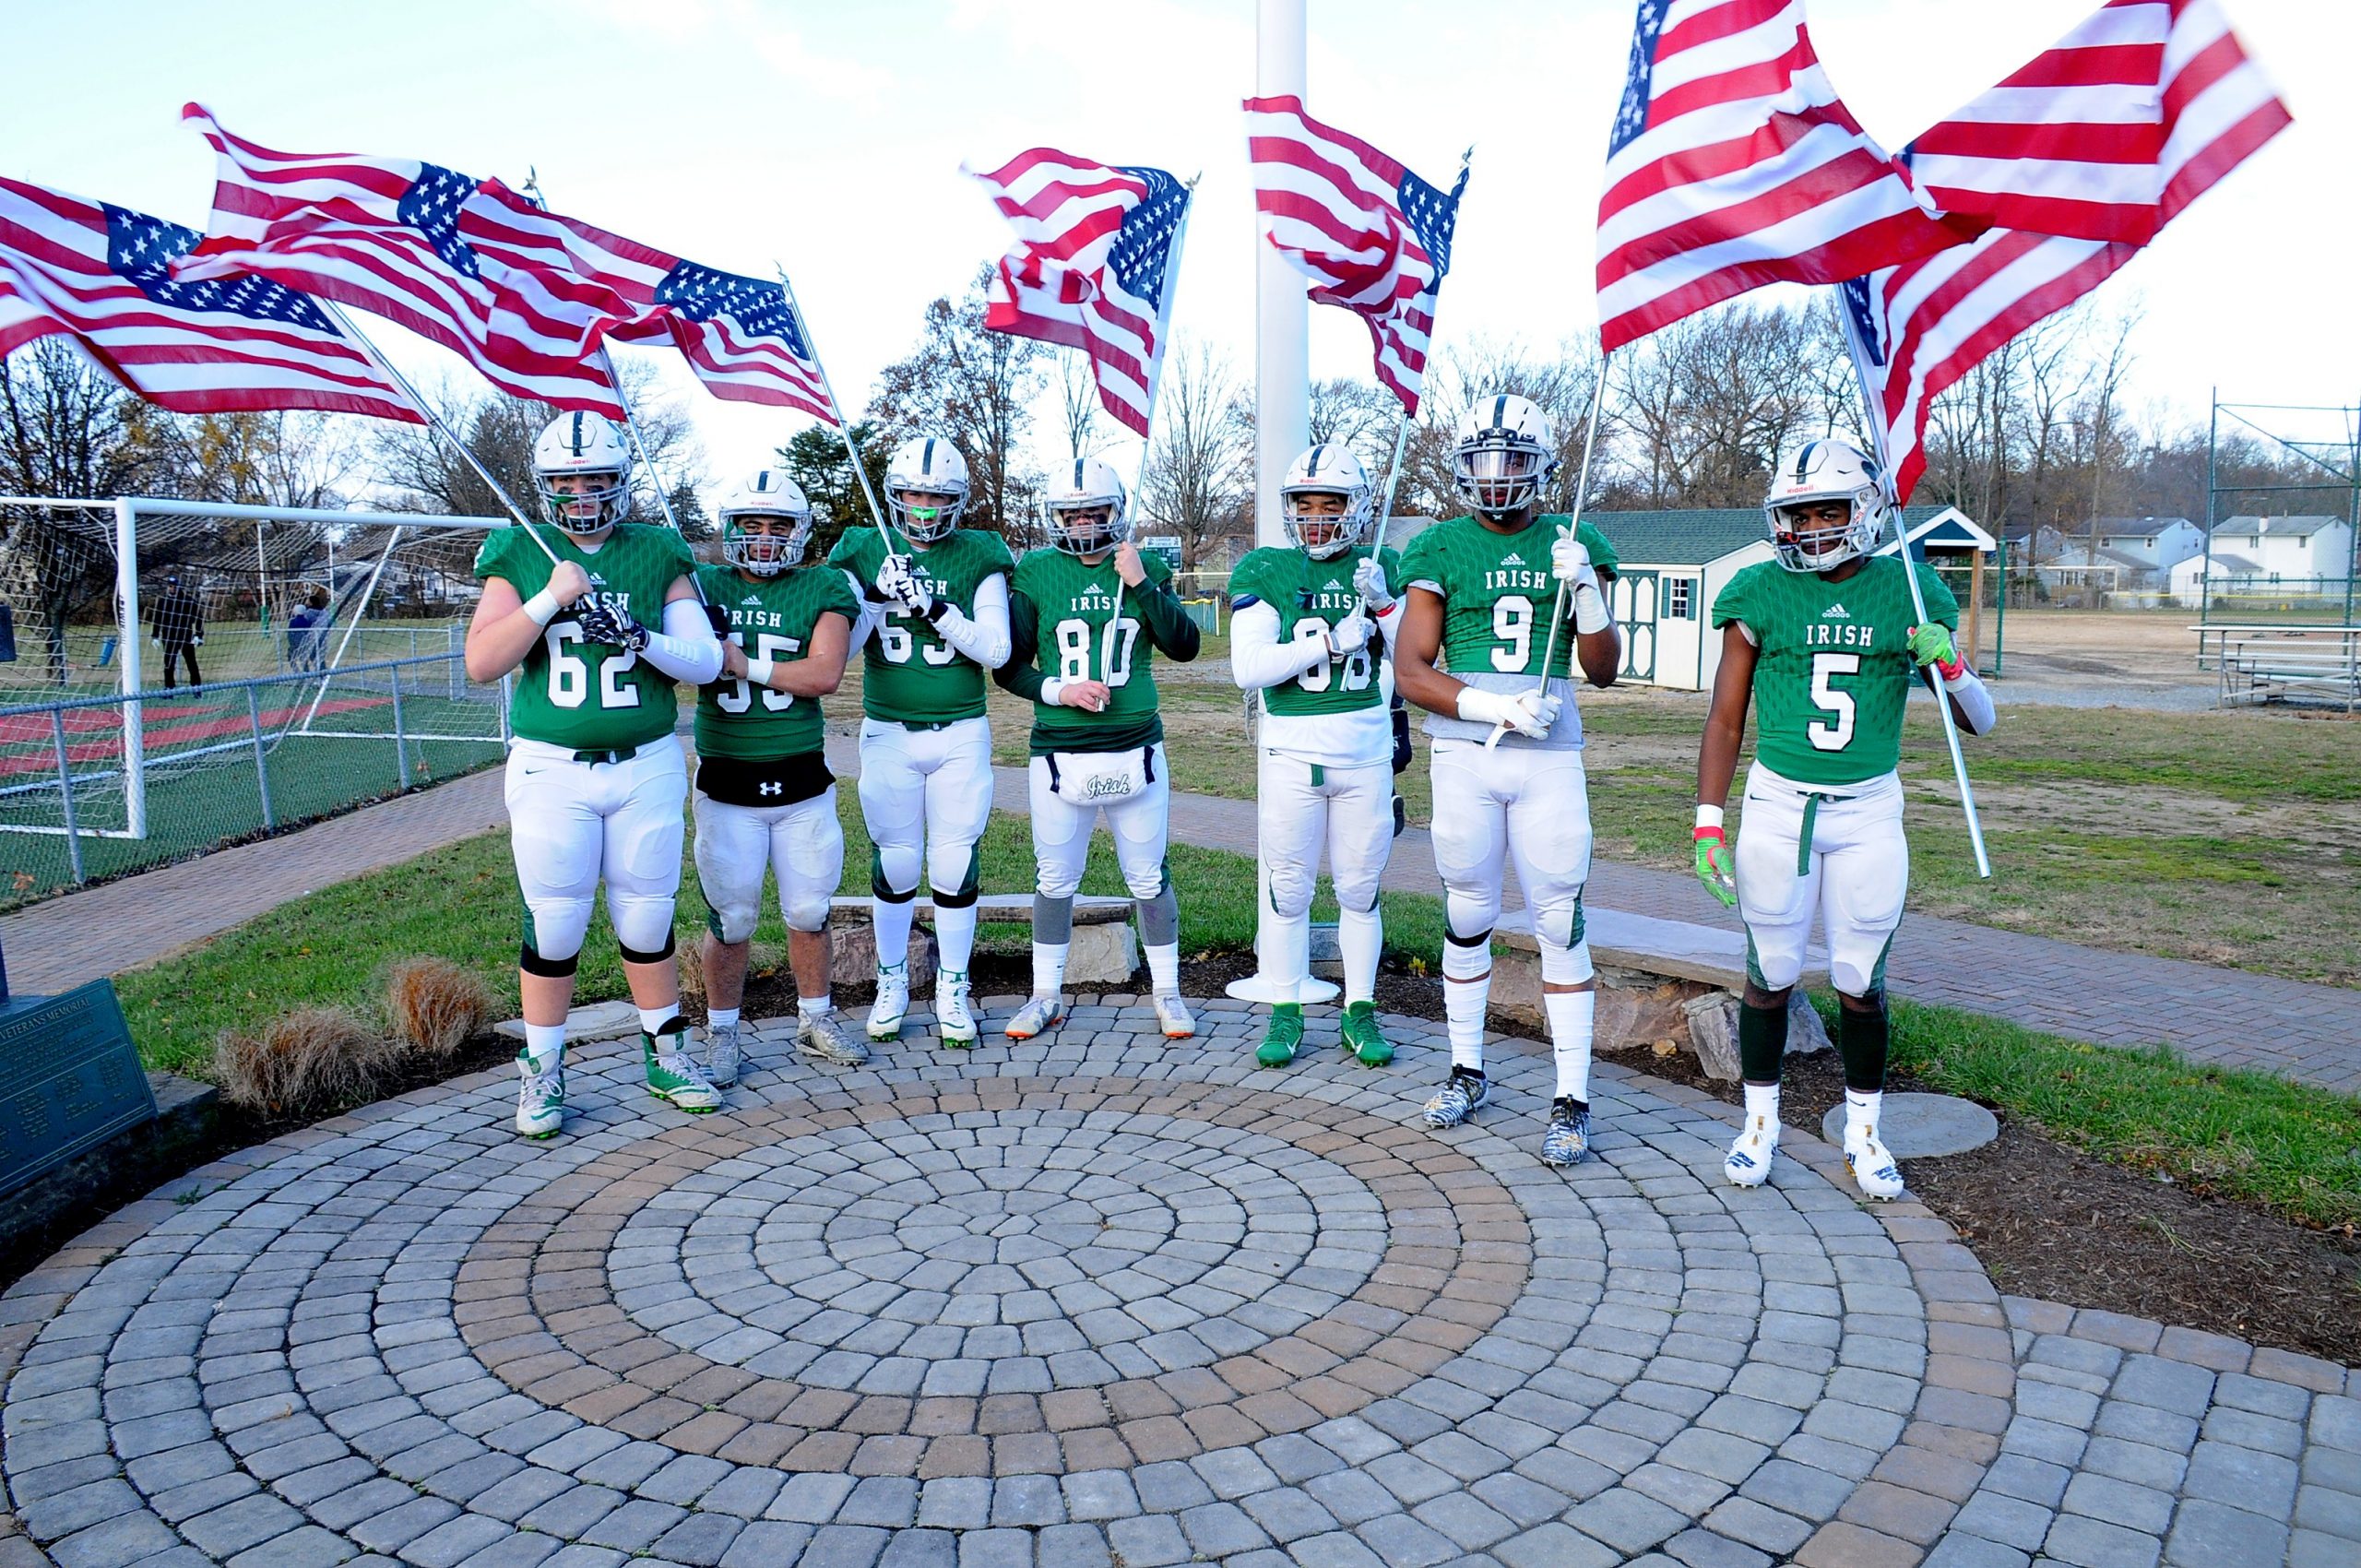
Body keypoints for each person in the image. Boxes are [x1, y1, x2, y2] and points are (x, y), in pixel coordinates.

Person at [1695, 436, 1996, 1199]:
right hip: (1778, 809)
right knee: (1773, 974)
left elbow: (1981, 724)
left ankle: (1864, 1134)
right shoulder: (1761, 587)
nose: (1812, 528)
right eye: (1798, 514)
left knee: (1861, 979)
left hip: (1866, 811)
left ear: (1865, 510)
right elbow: (1726, 719)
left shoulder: (1912, 586)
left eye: (1829, 510)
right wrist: (1707, 819)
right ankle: (1758, 1124)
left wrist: (1950, 666)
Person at [464, 410, 725, 1139]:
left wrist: (640, 636)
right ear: (545, 487)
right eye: (566, 482)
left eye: (596, 479)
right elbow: (483, 662)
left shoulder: (656, 550)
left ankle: (666, 1053)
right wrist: (551, 598)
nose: (581, 494)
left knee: (646, 912)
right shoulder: (521, 549)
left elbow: (702, 662)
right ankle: (542, 1071)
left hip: (644, 762)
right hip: (551, 768)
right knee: (556, 920)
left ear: (621, 481)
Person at [1394, 393, 1622, 1166]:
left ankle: (1572, 1097)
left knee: (1559, 920)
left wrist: (1587, 586)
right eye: (1483, 463)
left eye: (1514, 460)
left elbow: (1604, 670)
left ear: (1543, 466)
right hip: (1467, 753)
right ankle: (1467, 1067)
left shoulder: (1574, 536)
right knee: (1467, 912)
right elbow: (1410, 671)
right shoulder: (1438, 546)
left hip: (1551, 756)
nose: (1496, 479)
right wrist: (1491, 702)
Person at [994, 457, 1201, 1041]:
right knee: (1055, 876)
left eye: (1094, 512)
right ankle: (1044, 995)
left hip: (1135, 744)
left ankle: (1168, 992)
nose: (1082, 524)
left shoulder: (1143, 563)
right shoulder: (1036, 571)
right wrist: (1062, 690)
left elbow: (1185, 645)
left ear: (1116, 512)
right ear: (1054, 516)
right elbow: (1008, 667)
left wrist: (1140, 581)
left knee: (1147, 875)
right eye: (1071, 513)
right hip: (1060, 747)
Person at [827, 436, 1013, 1047]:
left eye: (937, 497)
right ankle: (892, 981)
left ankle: (953, 985)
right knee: (898, 857)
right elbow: (841, 654)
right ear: (894, 496)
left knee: (955, 860)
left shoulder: (978, 552)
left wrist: (934, 606)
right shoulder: (862, 549)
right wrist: (876, 599)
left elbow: (996, 649)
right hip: (889, 731)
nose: (924, 507)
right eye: (913, 494)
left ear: (957, 501)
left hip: (960, 730)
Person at [1228, 442, 1402, 1069]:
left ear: (1356, 509)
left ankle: (1360, 1010)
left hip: (1362, 753)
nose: (1319, 517)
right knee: (1289, 888)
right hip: (1291, 755)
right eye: (1306, 505)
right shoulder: (1266, 568)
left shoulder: (1381, 563)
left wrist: (1384, 604)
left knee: (1359, 888)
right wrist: (1329, 640)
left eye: (1332, 505)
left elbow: (1416, 660)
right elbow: (1248, 667)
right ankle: (1286, 1008)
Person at [693, 469, 864, 1082]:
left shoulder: (820, 586)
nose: (764, 538)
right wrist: (695, 637)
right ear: (730, 530)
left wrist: (740, 660)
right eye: (751, 525)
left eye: (778, 526)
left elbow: (823, 675)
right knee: (733, 919)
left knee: (810, 910)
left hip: (801, 782)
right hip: (728, 781)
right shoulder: (699, 584)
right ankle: (721, 1032)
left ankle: (815, 1018)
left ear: (798, 532)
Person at [151, 574, 203, 688]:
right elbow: (157, 619)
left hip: (185, 636)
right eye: (170, 586)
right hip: (169, 637)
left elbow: (199, 618)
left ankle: (196, 686)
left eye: (174, 586)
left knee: (191, 662)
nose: (172, 588)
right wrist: (155, 636)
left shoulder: (188, 601)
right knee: (169, 664)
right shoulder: (163, 602)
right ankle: (169, 688)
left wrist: (199, 635)